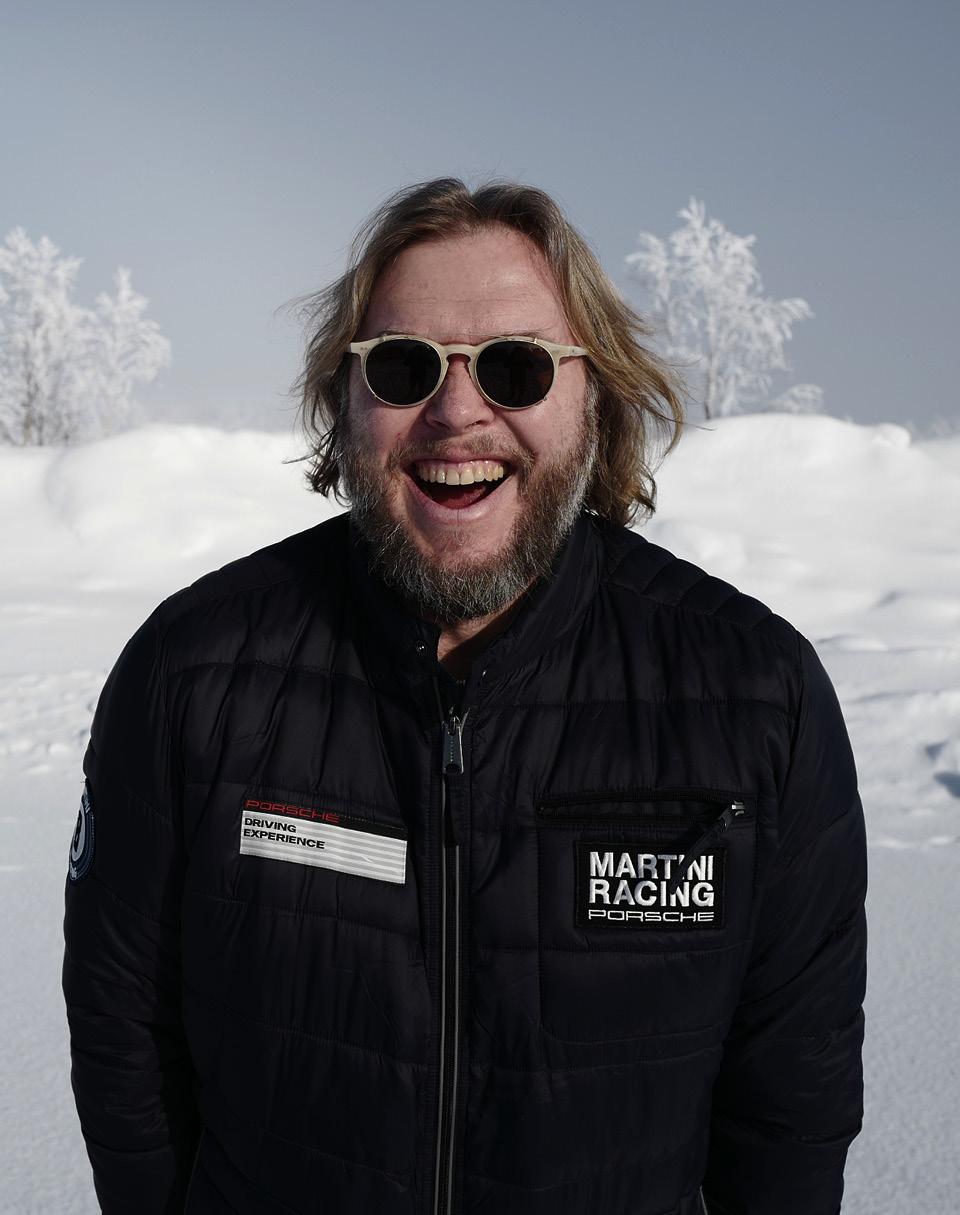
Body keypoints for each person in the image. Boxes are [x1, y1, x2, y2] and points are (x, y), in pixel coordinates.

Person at [62, 177, 867, 1215]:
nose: (456, 412)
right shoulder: (192, 672)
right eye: (403, 367)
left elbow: (792, 1106)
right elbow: (125, 1032)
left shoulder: (757, 697)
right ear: (345, 400)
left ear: (595, 394)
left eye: (515, 366)